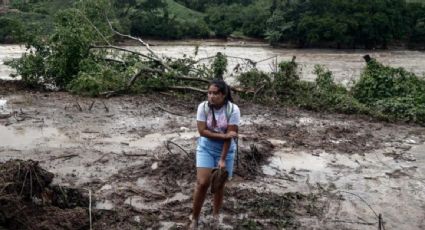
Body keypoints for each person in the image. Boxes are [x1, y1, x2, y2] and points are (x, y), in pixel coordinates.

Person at [190, 79, 240, 229]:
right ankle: (195, 218)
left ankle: (216, 217)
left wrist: (223, 159)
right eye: (209, 93)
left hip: (226, 149)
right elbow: (202, 131)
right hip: (206, 147)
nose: (211, 96)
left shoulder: (233, 109)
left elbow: (230, 137)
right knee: (202, 183)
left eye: (215, 93)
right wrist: (223, 135)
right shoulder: (203, 107)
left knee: (218, 185)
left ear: (223, 95)